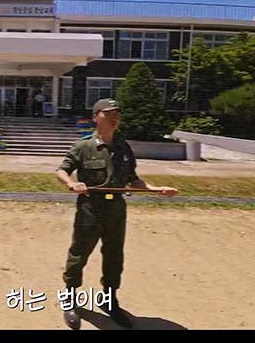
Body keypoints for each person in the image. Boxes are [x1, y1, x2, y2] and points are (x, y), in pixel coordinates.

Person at [55, 98, 179, 330]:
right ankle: (70, 298)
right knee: (79, 254)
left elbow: (133, 179)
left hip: (116, 211)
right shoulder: (83, 146)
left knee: (114, 256)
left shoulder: (123, 148)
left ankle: (109, 299)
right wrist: (72, 183)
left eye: (117, 114)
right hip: (90, 210)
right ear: (95, 117)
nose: (114, 117)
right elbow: (62, 170)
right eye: (108, 113)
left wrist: (155, 189)